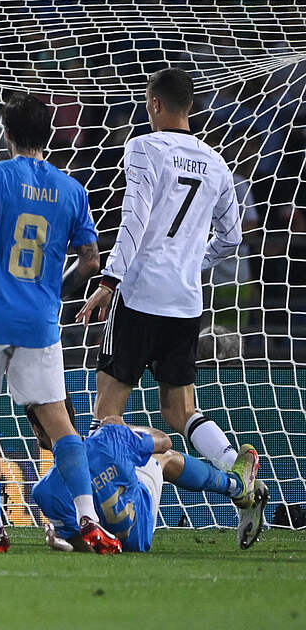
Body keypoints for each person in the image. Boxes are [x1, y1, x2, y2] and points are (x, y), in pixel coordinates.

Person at [76, 67, 262, 532]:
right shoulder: (218, 163)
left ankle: (113, 515)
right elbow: (233, 238)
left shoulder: (143, 147)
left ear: (155, 104)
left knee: (107, 413)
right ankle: (239, 476)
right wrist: (188, 264)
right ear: (191, 106)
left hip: (139, 296)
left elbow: (133, 220)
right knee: (181, 411)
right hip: (185, 301)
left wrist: (109, 280)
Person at [0, 93, 120, 554]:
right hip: (40, 319)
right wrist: (50, 291)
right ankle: (88, 518)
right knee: (58, 421)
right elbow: (91, 259)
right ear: (49, 135)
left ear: (8, 134)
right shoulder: (72, 189)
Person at [30, 406, 266, 553]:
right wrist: (126, 430)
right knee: (164, 457)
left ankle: (237, 487)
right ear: (71, 414)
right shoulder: (109, 437)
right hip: (138, 525)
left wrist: (58, 538)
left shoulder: (43, 491)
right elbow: (164, 441)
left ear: (36, 429)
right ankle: (235, 486)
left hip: (113, 543)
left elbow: (79, 545)